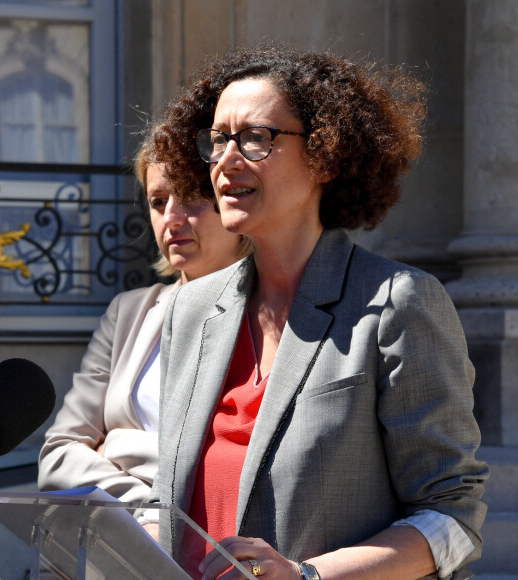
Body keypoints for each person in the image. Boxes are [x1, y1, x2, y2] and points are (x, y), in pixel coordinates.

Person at [147, 45, 489, 580]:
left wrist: (307, 575)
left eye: (256, 137)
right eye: (217, 140)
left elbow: (453, 516)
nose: (227, 160)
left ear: (326, 156)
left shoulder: (398, 302)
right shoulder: (189, 309)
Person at [38, 134, 251, 503]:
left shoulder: (271, 313)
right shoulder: (129, 312)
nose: (171, 218)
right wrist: (147, 508)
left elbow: (241, 467)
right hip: (126, 546)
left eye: (191, 198)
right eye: (158, 201)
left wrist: (118, 446)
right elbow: (57, 457)